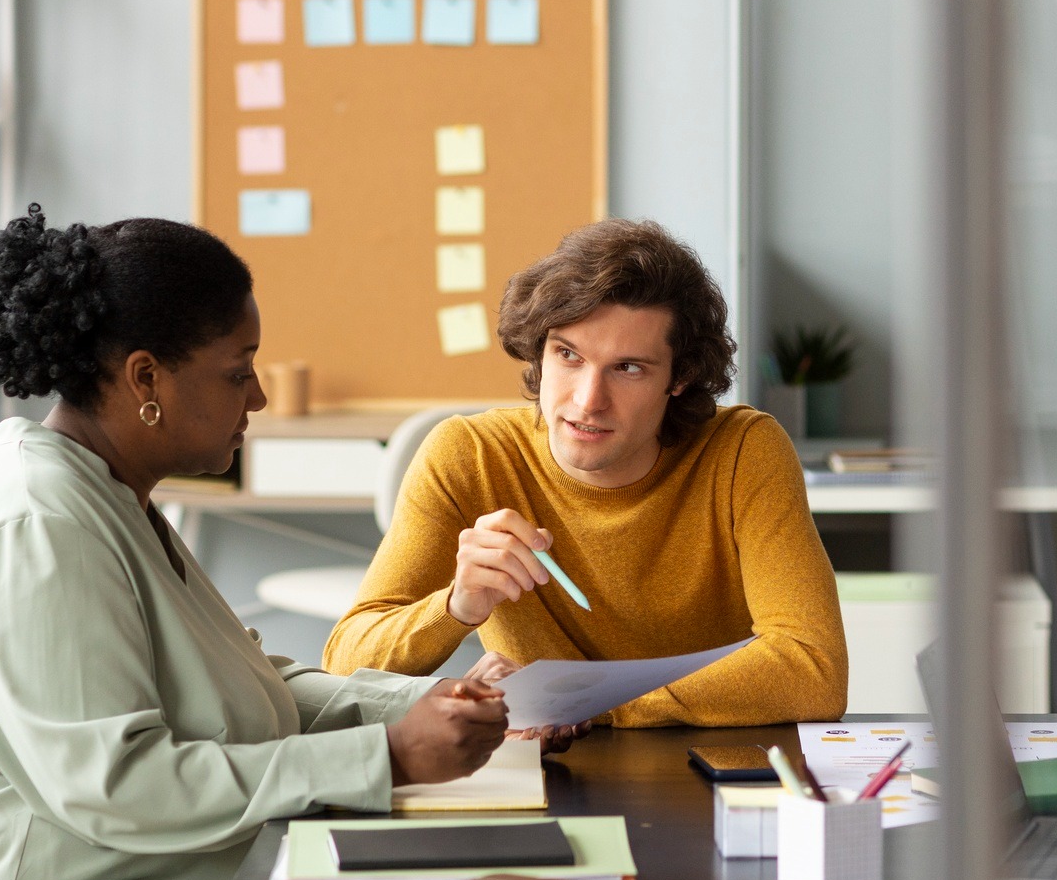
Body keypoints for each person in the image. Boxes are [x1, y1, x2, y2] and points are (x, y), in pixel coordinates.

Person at [0, 207, 510, 880]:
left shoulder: (104, 495)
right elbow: (120, 786)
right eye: (238, 370)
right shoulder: (36, 525)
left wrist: (426, 703)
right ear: (146, 378)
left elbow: (242, 684)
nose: (259, 394)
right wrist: (386, 757)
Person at [325, 218, 849, 726]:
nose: (588, 401)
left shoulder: (743, 451)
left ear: (681, 377)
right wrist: (456, 607)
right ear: (539, 352)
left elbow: (814, 671)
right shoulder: (470, 455)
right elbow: (343, 664)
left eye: (628, 368)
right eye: (568, 355)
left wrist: (593, 707)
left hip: (707, 759)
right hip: (544, 760)